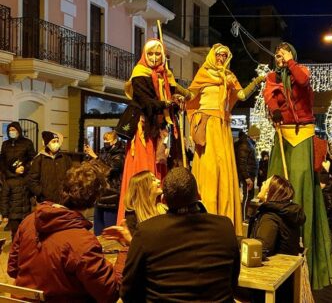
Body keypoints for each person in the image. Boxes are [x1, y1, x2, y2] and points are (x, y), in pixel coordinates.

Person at [262, 41, 332, 289]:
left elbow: (304, 80)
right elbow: (269, 95)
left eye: (283, 52)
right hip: (283, 136)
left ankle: (305, 246)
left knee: (303, 185)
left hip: (303, 135)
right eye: (277, 53)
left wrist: (291, 61)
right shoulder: (273, 77)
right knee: (277, 186)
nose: (279, 56)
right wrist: (274, 109)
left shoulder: (300, 71)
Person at [120, 167, 240, 302]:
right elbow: (232, 283)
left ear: (164, 199)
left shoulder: (146, 231)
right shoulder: (226, 227)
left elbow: (128, 292)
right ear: (199, 195)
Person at [7, 162, 121, 303]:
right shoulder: (83, 242)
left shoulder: (29, 220)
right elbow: (110, 293)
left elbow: (12, 269)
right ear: (95, 199)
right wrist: (127, 249)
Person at [185, 43, 264, 235]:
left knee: (223, 168)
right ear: (212, 55)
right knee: (209, 167)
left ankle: (223, 215)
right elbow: (190, 94)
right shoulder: (203, 73)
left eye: (224, 55)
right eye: (218, 54)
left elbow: (242, 95)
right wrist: (175, 87)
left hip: (222, 126)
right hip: (208, 124)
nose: (221, 58)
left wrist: (257, 81)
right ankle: (206, 210)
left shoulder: (229, 76)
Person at [115, 38, 190, 224]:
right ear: (144, 55)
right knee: (144, 169)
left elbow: (173, 97)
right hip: (144, 132)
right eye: (150, 54)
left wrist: (176, 101)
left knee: (159, 169)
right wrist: (166, 103)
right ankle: (140, 217)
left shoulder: (167, 75)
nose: (154, 57)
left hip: (160, 132)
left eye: (158, 54)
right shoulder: (139, 73)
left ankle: (157, 214)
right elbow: (146, 101)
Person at [102, 170, 166, 246]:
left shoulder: (164, 209)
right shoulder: (132, 216)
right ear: (143, 187)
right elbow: (135, 247)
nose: (159, 181)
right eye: (153, 180)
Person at [249, 175, 305, 256]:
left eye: (265, 183)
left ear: (269, 191)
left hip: (276, 266)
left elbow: (262, 249)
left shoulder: (270, 217)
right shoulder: (287, 213)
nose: (262, 183)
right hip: (288, 264)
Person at [84, 131, 125, 235]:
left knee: (109, 228)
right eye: (104, 140)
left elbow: (110, 168)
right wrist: (90, 157)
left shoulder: (120, 153)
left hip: (112, 194)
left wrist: (96, 157)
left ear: (115, 141)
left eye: (108, 140)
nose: (105, 142)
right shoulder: (103, 151)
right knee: (98, 228)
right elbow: (96, 167)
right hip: (101, 193)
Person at [28, 131, 72, 203]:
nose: (56, 143)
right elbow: (32, 180)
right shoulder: (39, 159)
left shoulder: (65, 158)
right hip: (46, 201)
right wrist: (41, 193)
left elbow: (71, 176)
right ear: (47, 144)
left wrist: (68, 192)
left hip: (63, 200)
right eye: (53, 141)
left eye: (57, 141)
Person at [0, 158, 31, 240]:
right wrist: (5, 215)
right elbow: (4, 199)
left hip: (26, 213)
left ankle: (24, 249)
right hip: (14, 215)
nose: (22, 167)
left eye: (22, 165)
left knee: (26, 233)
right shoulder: (8, 182)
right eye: (18, 166)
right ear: (13, 168)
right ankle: (16, 250)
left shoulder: (25, 180)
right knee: (16, 234)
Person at [234, 125, 260, 220]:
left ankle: (244, 215)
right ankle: (243, 217)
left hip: (249, 174)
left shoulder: (249, 143)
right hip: (247, 174)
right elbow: (242, 162)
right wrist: (247, 177)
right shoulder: (245, 144)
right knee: (247, 195)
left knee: (249, 195)